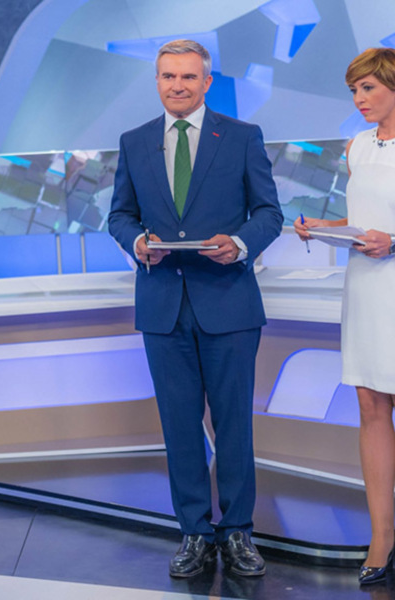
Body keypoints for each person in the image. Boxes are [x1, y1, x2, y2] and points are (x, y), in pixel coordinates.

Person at [108, 39, 283, 578]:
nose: (177, 85)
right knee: (179, 426)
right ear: (157, 81)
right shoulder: (134, 142)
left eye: (187, 76)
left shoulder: (242, 136)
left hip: (228, 302)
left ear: (207, 82)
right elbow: (120, 216)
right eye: (167, 76)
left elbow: (269, 213)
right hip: (163, 306)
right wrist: (138, 244)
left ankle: (237, 534)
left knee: (234, 427)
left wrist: (240, 242)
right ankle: (193, 533)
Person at [295, 47, 395, 586]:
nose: (358, 100)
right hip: (366, 287)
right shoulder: (357, 146)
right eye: (354, 90)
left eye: (368, 89)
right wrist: (324, 227)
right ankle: (382, 535)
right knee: (370, 403)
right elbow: (364, 220)